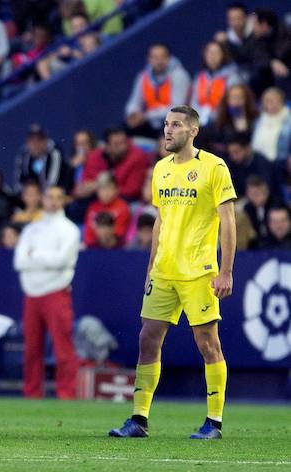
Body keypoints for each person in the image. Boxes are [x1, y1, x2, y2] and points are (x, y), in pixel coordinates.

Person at [110, 106, 237, 440]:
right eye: (166, 124)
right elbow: (160, 221)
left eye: (177, 125)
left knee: (207, 342)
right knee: (147, 339)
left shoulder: (214, 167)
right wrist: (151, 266)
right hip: (165, 271)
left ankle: (214, 421)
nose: (168, 130)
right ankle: (138, 419)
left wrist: (226, 271)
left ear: (193, 131)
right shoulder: (161, 169)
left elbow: (228, 221)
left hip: (199, 271)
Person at [14, 186, 80, 399]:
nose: (52, 201)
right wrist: (46, 258)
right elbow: (19, 260)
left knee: (63, 348)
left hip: (56, 291)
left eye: (57, 197)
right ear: (43, 199)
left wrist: (36, 255)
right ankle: (32, 393)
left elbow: (63, 260)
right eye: (49, 197)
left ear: (63, 201)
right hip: (32, 293)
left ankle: (66, 393)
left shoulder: (70, 230)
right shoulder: (32, 229)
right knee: (32, 349)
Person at [125, 44, 191, 138]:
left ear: (169, 58)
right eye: (155, 57)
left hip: (173, 122)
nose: (159, 61)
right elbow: (134, 101)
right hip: (150, 122)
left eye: (163, 57)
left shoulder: (179, 75)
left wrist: (146, 116)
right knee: (124, 129)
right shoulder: (143, 76)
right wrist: (133, 114)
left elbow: (177, 109)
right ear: (149, 59)